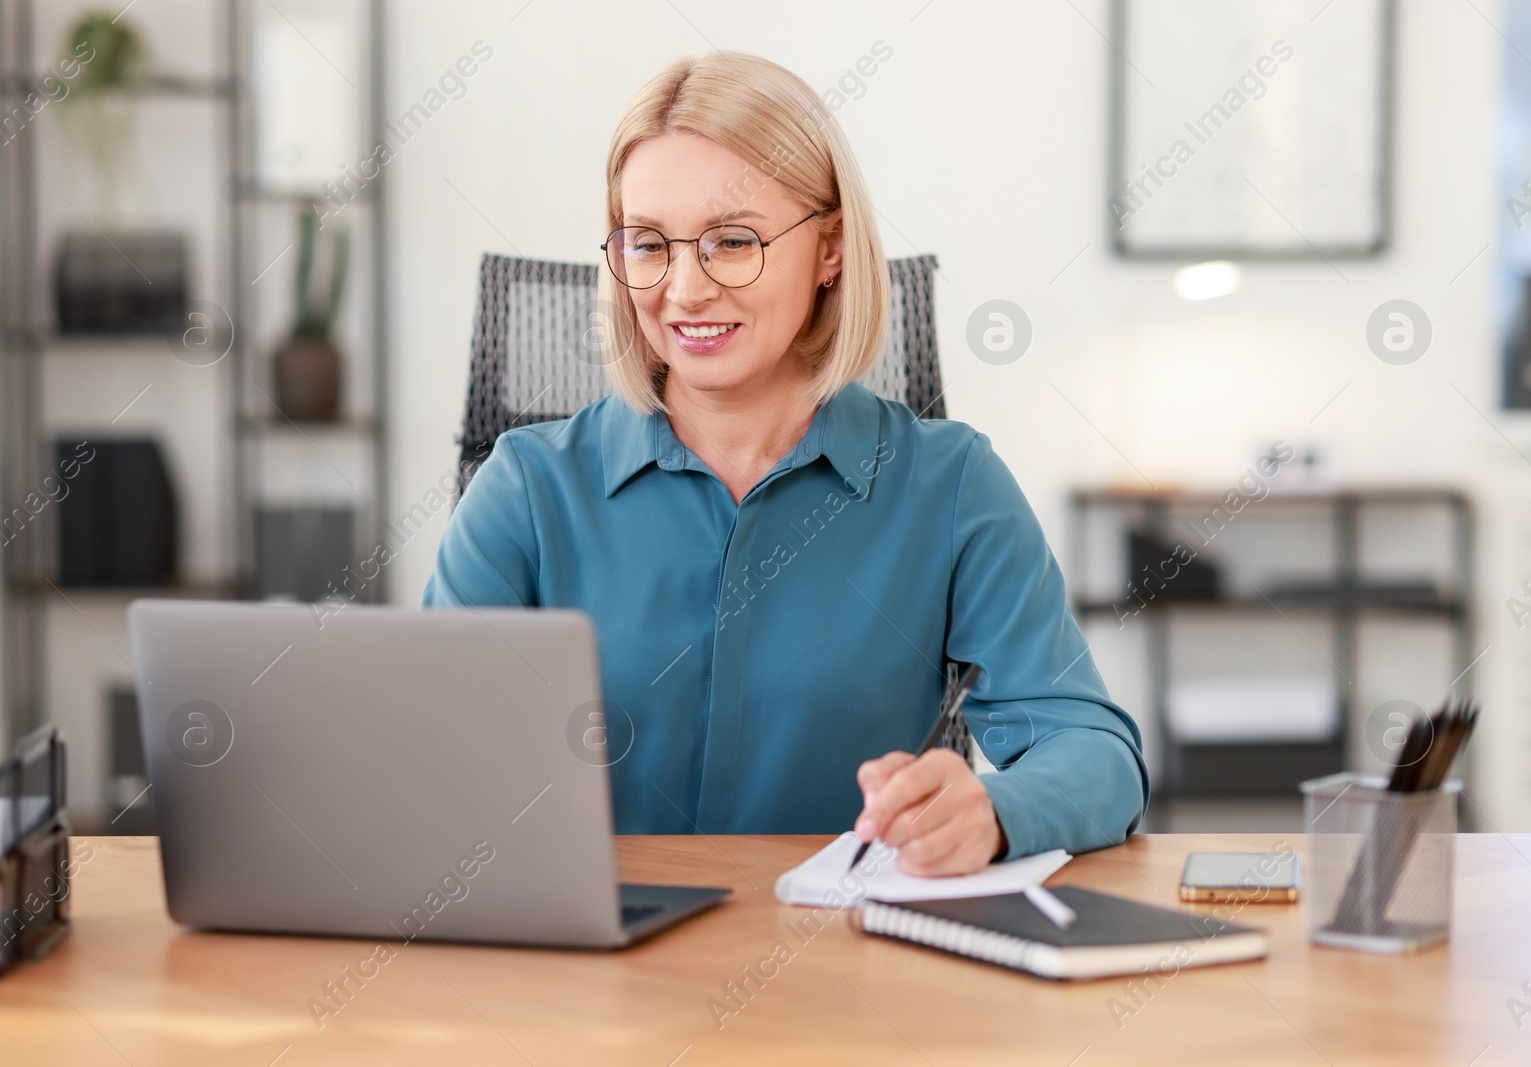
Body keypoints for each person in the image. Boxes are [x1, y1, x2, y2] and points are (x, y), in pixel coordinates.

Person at [423, 51, 1147, 876]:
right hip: (589, 975)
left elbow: (1095, 752)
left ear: (830, 248)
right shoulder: (524, 487)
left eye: (732, 242)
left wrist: (993, 811)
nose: (684, 289)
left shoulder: (950, 485)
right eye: (648, 244)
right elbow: (423, 760)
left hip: (847, 972)